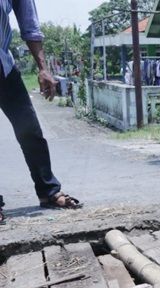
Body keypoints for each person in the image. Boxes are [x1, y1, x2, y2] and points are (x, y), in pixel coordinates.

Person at [0, 0, 82, 225]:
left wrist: (43, 68)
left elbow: (29, 25)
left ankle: (48, 191)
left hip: (4, 67)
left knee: (30, 130)